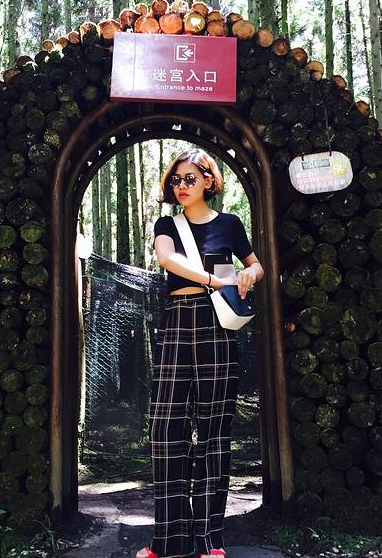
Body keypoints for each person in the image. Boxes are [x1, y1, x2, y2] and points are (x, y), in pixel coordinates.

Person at [137, 148, 265, 558]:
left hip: (217, 326)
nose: (181, 186)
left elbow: (256, 265)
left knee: (215, 431)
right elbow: (167, 258)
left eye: (189, 178)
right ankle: (168, 541)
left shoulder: (230, 224)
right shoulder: (167, 224)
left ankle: (211, 541)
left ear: (209, 180)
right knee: (165, 429)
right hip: (178, 320)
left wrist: (248, 273)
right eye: (175, 180)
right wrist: (215, 279)